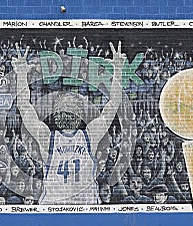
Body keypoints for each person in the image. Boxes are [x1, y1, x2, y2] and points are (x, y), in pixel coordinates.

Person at [12, 41, 128, 205]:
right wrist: (117, 70)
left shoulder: (47, 136)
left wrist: (22, 74)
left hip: (63, 208)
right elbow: (114, 102)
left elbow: (24, 105)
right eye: (66, 106)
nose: (68, 109)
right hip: (76, 208)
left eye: (69, 106)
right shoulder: (90, 135)